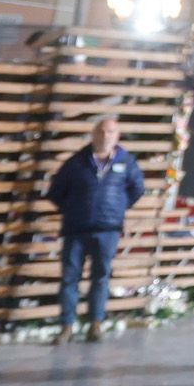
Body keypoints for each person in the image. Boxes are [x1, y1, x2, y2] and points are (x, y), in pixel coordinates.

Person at [47, 115, 144, 344]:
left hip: (107, 229)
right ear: (93, 134)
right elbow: (56, 192)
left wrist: (117, 208)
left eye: (110, 132)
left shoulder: (126, 163)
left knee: (101, 277)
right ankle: (67, 326)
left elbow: (137, 189)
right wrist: (73, 209)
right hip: (76, 228)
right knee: (70, 278)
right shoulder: (75, 163)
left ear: (117, 136)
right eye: (101, 131)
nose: (105, 136)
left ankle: (95, 323)